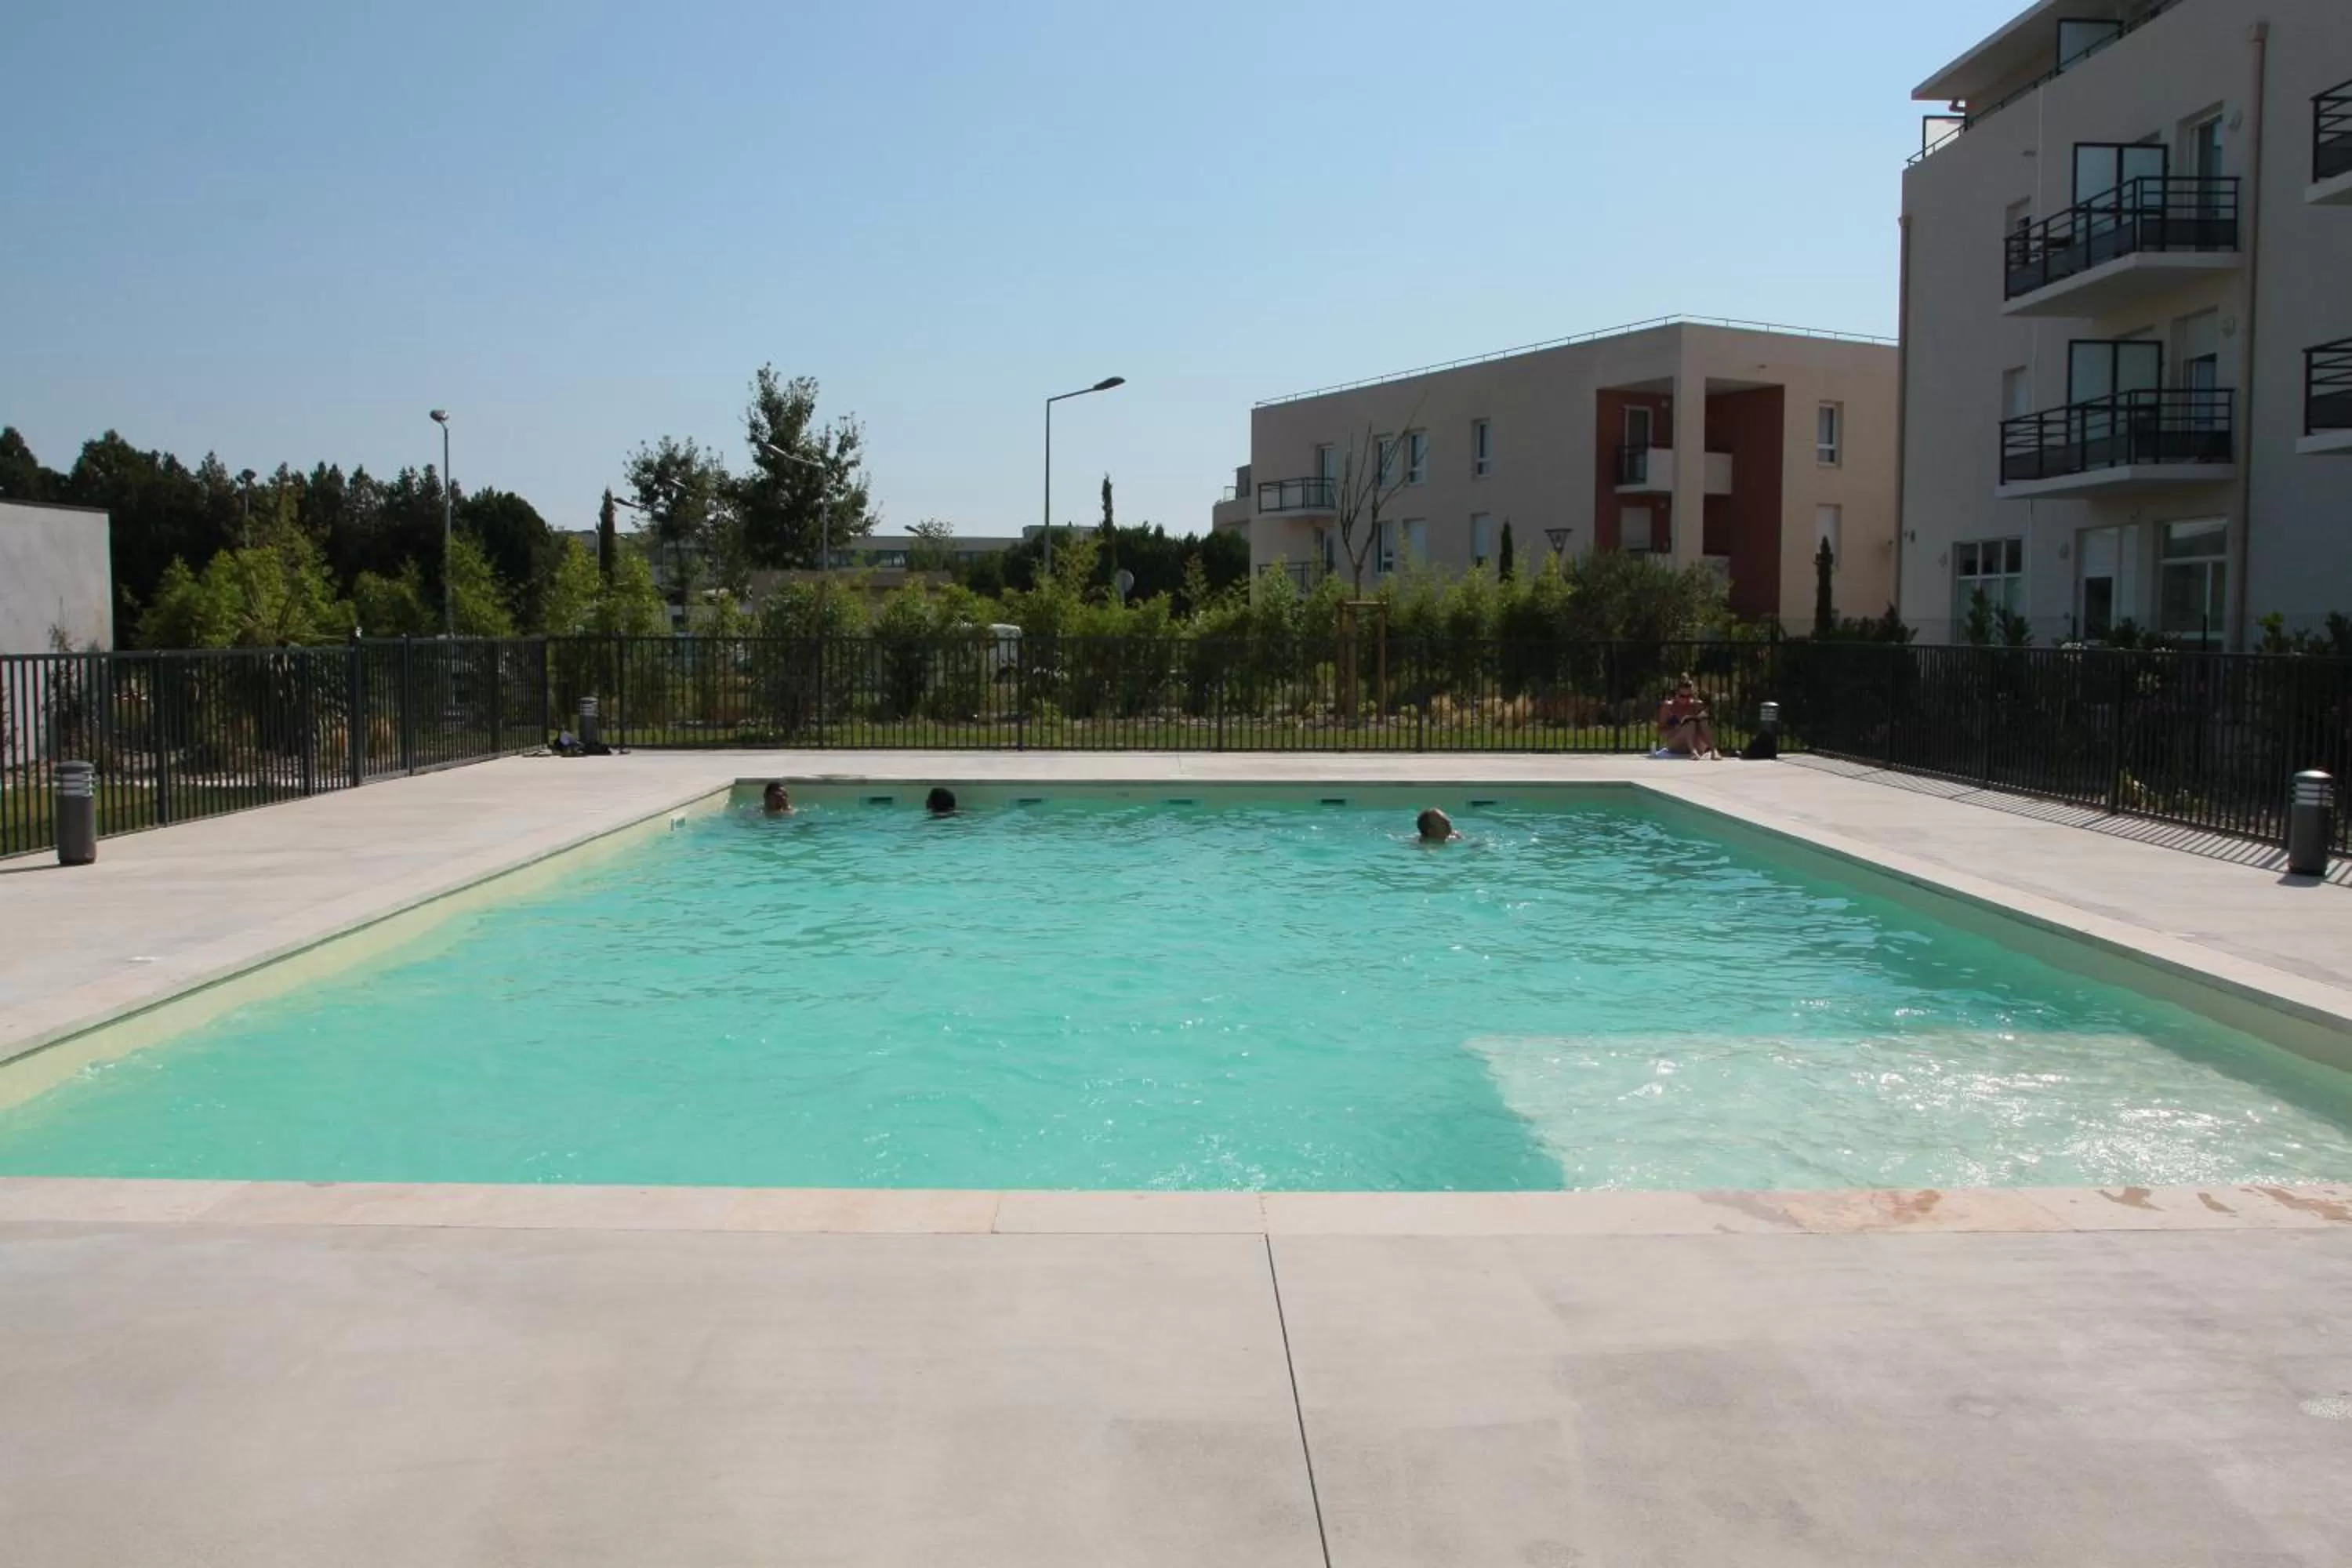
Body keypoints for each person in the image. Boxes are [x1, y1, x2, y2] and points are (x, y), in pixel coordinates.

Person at [1657, 674, 1720, 759]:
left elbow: (1708, 726)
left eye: (1688, 696)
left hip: (1698, 743)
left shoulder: (1697, 705)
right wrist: (1675, 729)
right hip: (1677, 743)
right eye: (1682, 696)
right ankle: (1693, 751)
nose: (1685, 700)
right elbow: (1661, 730)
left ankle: (1713, 751)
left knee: (1701, 721)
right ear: (1676, 694)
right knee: (1690, 723)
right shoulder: (1668, 706)